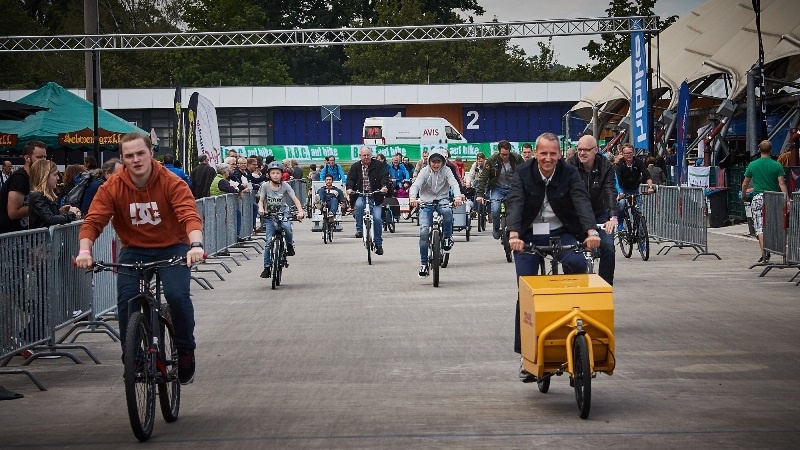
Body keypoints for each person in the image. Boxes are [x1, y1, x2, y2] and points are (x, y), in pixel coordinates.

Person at [75, 132, 204, 385]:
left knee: (177, 295)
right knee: (126, 300)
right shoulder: (112, 186)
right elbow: (94, 220)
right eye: (129, 155)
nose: (135, 159)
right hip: (134, 249)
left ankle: (186, 349)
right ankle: (132, 354)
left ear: (151, 154)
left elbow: (189, 215)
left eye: (140, 153)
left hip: (173, 247)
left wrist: (196, 244)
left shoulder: (171, 181)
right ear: (122, 159)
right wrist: (84, 251)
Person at [505, 132, 601, 383]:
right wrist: (514, 234)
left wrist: (591, 232)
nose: (548, 158)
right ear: (535, 153)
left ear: (560, 154)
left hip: (562, 232)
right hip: (528, 235)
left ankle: (578, 344)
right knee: (525, 289)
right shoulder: (522, 173)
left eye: (553, 153)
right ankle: (526, 355)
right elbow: (515, 202)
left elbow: (581, 200)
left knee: (580, 268)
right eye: (543, 153)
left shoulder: (569, 173)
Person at [567, 134, 619, 285]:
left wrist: (613, 217)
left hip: (600, 213)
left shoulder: (605, 165)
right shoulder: (570, 165)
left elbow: (610, 190)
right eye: (579, 149)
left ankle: (605, 286)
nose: (582, 153)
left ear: (595, 150)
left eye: (586, 150)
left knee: (608, 247)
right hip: (577, 214)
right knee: (568, 249)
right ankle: (571, 284)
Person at [408, 148, 463, 278]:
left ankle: (448, 238)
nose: (436, 164)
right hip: (426, 202)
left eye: (439, 161)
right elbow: (415, 186)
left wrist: (457, 198)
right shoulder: (424, 172)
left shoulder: (447, 170)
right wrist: (412, 198)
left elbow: (454, 184)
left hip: (442, 200)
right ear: (429, 162)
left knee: (447, 212)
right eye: (434, 161)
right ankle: (424, 264)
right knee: (423, 231)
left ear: (443, 162)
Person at [741, 140, 790, 263]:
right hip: (773, 199)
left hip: (758, 198)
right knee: (773, 225)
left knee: (759, 226)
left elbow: (745, 182)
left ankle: (765, 253)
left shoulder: (753, 165)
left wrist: (743, 194)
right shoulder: (777, 165)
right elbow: (782, 183)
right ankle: (777, 250)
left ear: (759, 149)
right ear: (771, 150)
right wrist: (787, 199)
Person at [258, 161, 305, 278]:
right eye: (273, 173)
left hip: (282, 213)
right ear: (269, 174)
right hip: (269, 215)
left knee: (287, 227)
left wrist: (300, 211)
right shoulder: (264, 186)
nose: (275, 175)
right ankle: (267, 267)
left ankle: (289, 245)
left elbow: (295, 199)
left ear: (281, 174)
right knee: (268, 242)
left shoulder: (285, 185)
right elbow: (260, 200)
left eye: (277, 173)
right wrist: (261, 209)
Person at [474, 140, 524, 239]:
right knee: (495, 209)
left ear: (510, 151)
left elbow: (525, 173)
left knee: (516, 209)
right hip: (498, 188)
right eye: (502, 154)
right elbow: (484, 177)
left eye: (507, 154)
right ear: (499, 152)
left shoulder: (517, 158)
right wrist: (480, 194)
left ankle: (515, 228)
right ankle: (496, 228)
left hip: (513, 188)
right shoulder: (492, 160)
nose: (505, 157)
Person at [346, 146, 390, 255]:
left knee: (377, 219)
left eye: (368, 155)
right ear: (360, 156)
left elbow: (384, 176)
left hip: (375, 195)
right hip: (361, 193)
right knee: (359, 205)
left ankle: (378, 245)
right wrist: (349, 189)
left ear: (371, 155)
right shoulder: (355, 167)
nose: (366, 157)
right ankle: (360, 229)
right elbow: (350, 179)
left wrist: (384, 186)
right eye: (364, 155)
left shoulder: (378, 165)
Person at [0, 140, 48, 234]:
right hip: (11, 237)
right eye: (39, 157)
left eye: (45, 157)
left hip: (23, 234)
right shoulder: (19, 179)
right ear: (27, 158)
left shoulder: (33, 177)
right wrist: (43, 207)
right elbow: (13, 213)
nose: (43, 160)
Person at [27, 159, 81, 229]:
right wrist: (71, 214)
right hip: (41, 239)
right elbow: (50, 220)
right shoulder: (37, 196)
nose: (58, 178)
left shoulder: (45, 195)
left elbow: (47, 217)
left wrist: (60, 212)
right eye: (55, 174)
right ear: (45, 176)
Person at [614, 143, 654, 228]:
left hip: (634, 189)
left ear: (633, 152)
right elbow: (616, 179)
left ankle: (640, 235)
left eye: (630, 153)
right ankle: (620, 223)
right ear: (622, 154)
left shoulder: (638, 162)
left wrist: (650, 187)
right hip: (623, 188)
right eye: (626, 153)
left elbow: (647, 175)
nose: (629, 155)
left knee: (637, 210)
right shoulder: (619, 164)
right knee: (621, 203)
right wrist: (619, 192)